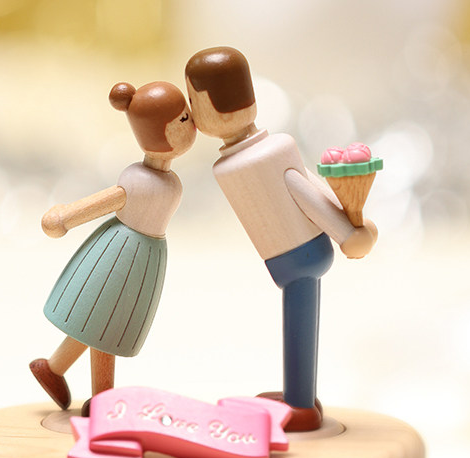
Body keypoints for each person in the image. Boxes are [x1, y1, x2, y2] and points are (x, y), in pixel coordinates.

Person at [185, 47, 377, 430]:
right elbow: (303, 184)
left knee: (298, 325)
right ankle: (297, 396)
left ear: (212, 103)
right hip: (286, 255)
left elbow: (302, 189)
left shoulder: (271, 153)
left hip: (301, 254)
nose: (189, 112)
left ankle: (301, 405)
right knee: (298, 324)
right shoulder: (236, 163)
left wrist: (345, 232)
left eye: (193, 100)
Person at [31, 81, 196, 412]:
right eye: (182, 119)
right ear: (156, 132)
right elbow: (107, 200)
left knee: (99, 321)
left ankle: (53, 369)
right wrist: (65, 217)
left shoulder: (170, 182)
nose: (191, 125)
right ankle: (101, 399)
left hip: (146, 257)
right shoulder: (136, 179)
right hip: (118, 255)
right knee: (104, 323)